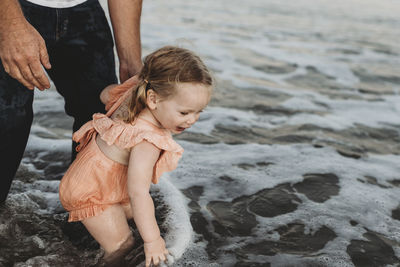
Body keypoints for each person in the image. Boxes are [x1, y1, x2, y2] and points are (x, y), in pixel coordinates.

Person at [58, 46, 213, 266]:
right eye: (184, 112)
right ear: (153, 99)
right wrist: (153, 240)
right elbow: (139, 193)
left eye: (199, 111)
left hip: (94, 179)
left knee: (134, 214)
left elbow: (104, 94)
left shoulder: (132, 92)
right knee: (123, 246)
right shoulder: (147, 141)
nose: (192, 120)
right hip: (92, 193)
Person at [0, 0, 143, 203]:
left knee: (103, 115)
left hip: (83, 9)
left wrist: (130, 59)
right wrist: (10, 25)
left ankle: (84, 218)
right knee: (8, 121)